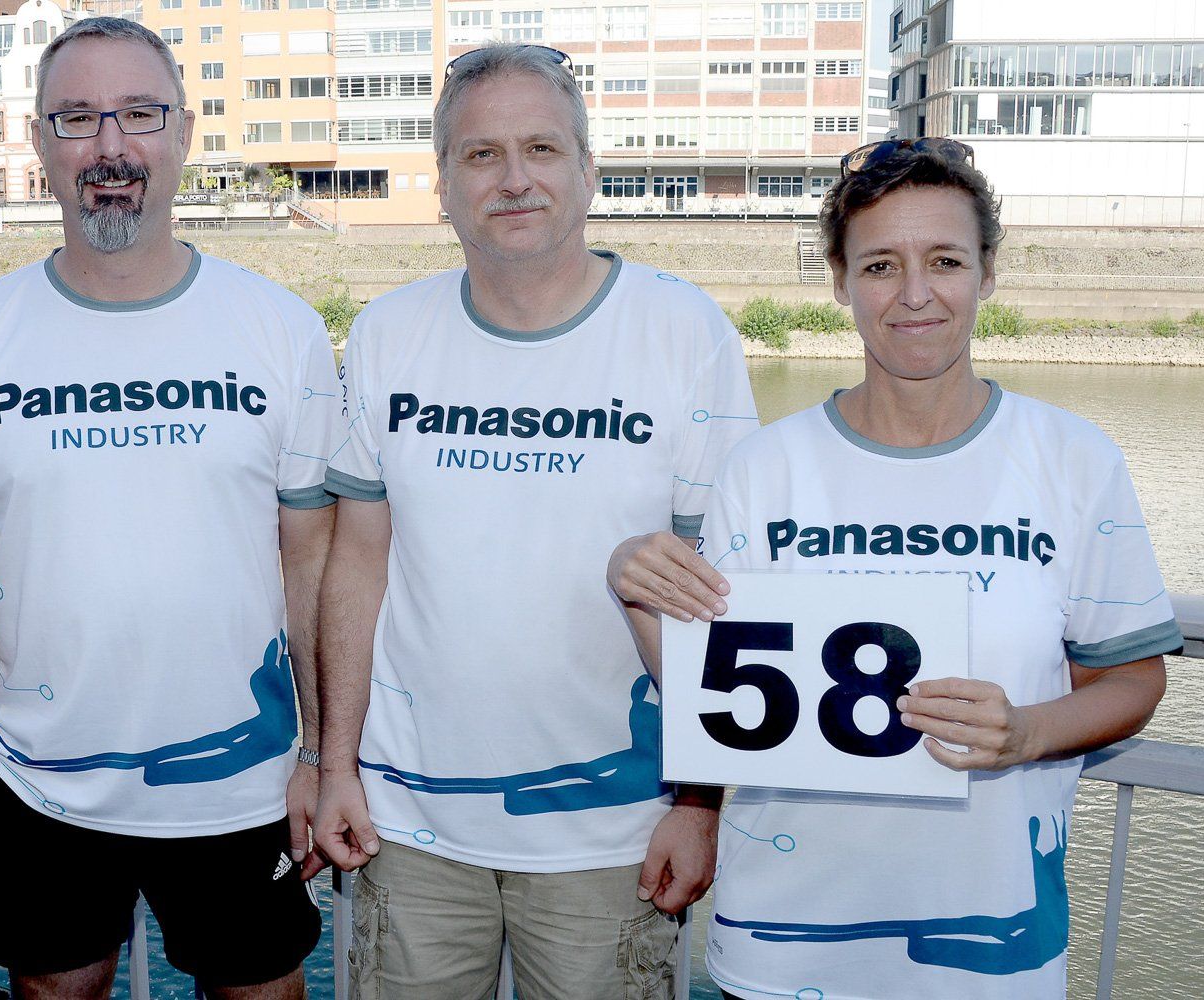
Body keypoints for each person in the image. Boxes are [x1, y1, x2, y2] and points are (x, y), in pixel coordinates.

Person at [667, 138, 1183, 1000]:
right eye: (879, 265)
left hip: (990, 949)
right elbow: (715, 694)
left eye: (944, 260)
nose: (914, 293)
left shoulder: (1072, 459)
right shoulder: (761, 469)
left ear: (987, 273)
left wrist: (1026, 732)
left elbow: (1131, 677)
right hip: (783, 945)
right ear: (839, 281)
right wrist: (691, 802)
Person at [313, 43, 758, 999]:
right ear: (442, 185)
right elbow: (356, 564)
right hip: (410, 825)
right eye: (480, 155)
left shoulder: (684, 331)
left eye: (541, 149)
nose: (513, 179)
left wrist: (700, 801)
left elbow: (728, 594)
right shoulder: (388, 332)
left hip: (614, 832)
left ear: (587, 170)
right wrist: (333, 764)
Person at [0, 18, 337, 999]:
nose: (110, 145)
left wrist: (321, 754)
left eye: (139, 114)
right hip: (37, 782)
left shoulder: (281, 330)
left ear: (183, 132)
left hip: (245, 781)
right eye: (77, 118)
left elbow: (314, 560)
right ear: (40, 144)